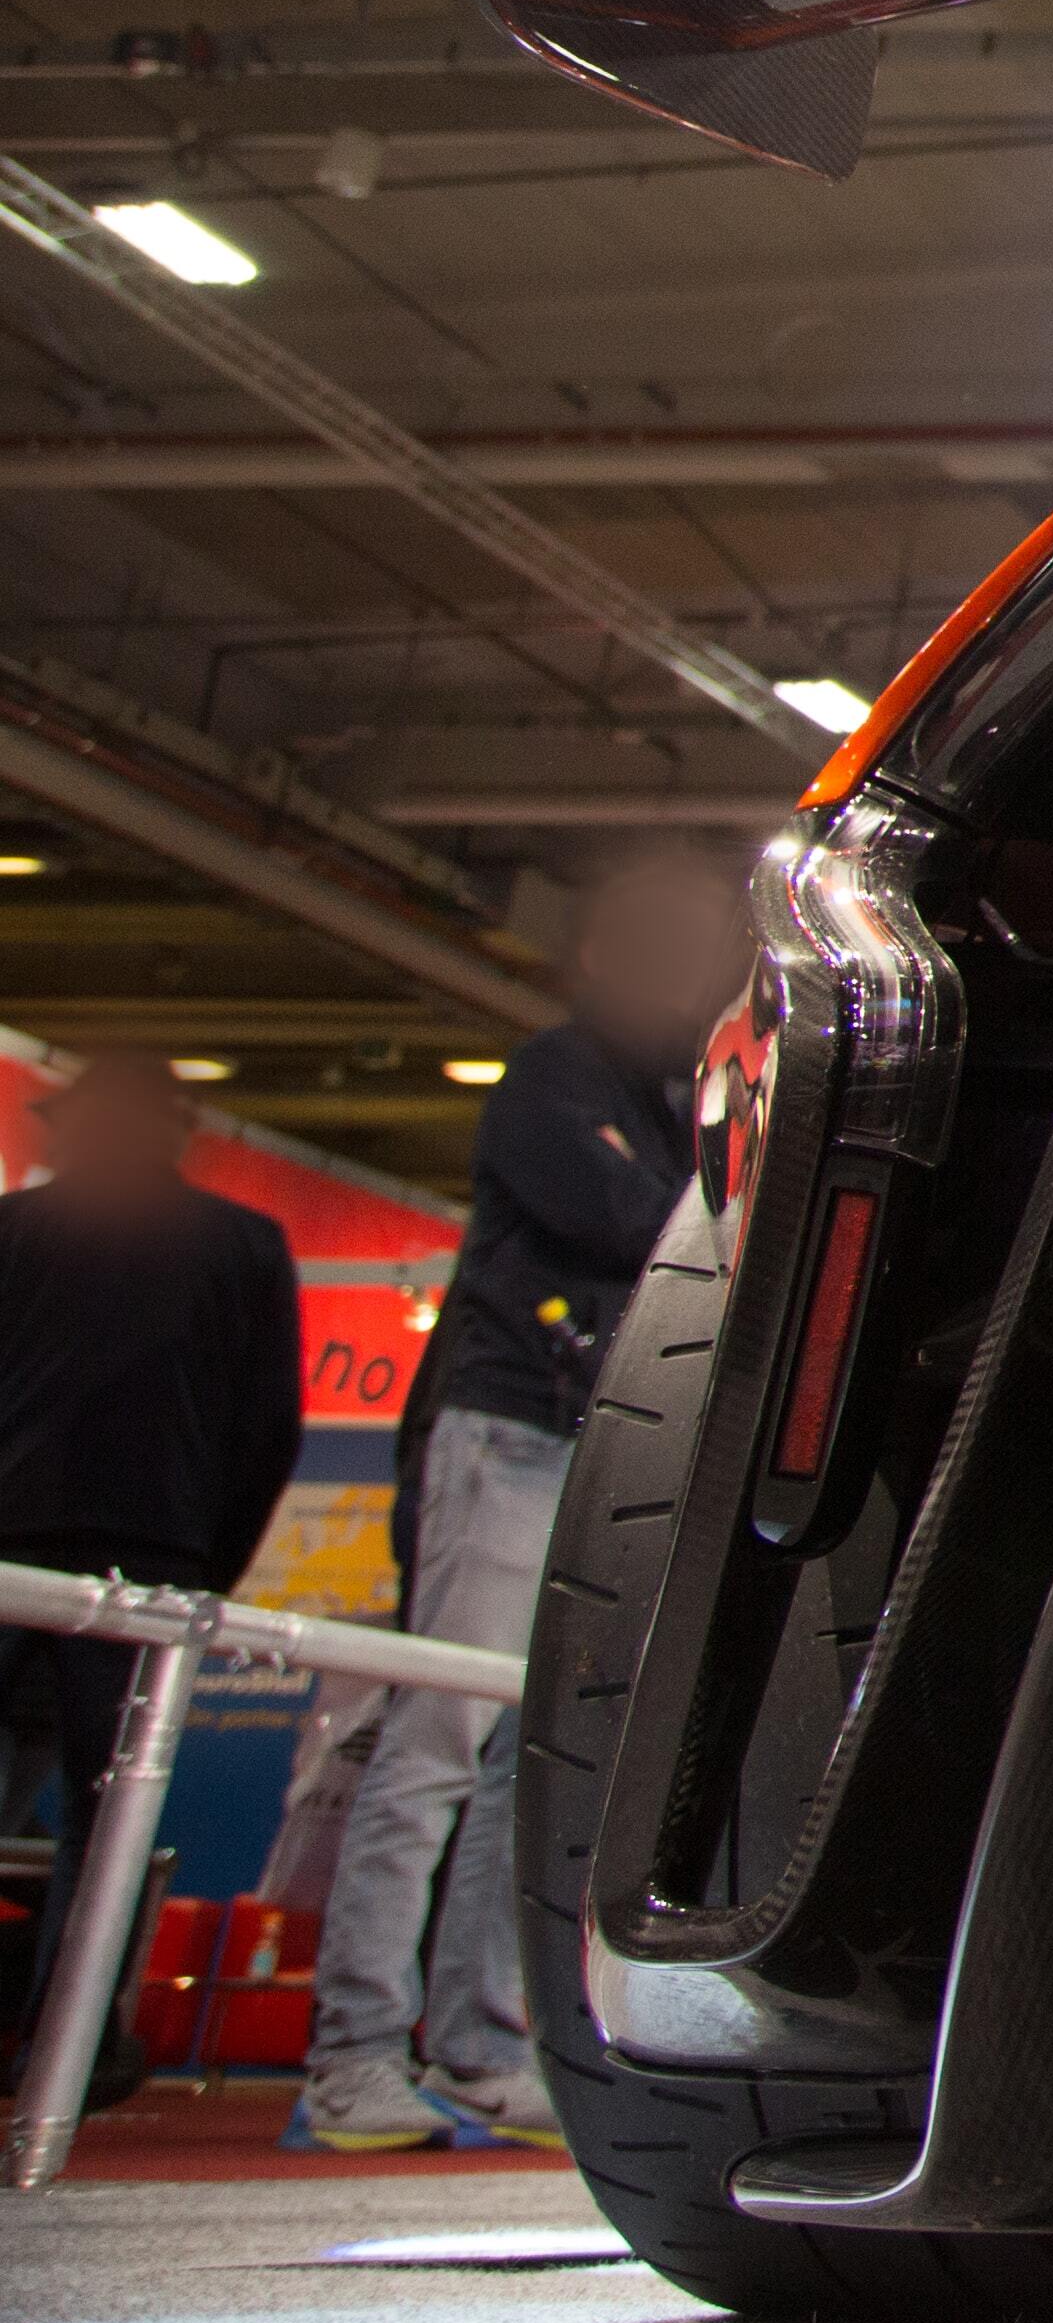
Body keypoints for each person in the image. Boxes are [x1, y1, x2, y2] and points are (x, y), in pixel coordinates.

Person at [290, 853, 739, 2152]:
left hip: (605, 1457)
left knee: (524, 1768)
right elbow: (649, 1224)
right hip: (508, 1438)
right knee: (436, 1745)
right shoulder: (556, 1074)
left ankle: (485, 2045)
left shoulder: (679, 1097)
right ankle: (355, 2054)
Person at [0, 1046, 303, 2103]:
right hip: (153, 1557)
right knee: (111, 1818)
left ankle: (68, 2051)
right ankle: (70, 2054)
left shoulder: (13, 1236)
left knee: (96, 1813)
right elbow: (267, 1431)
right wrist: (200, 1572)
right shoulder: (241, 1245)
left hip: (14, 1545)